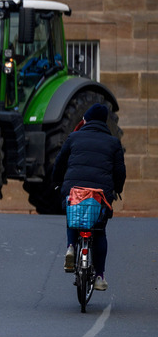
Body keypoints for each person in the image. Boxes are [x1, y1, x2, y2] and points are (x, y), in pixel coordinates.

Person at [52, 102, 126, 290]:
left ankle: (71, 246)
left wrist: (57, 182)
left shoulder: (74, 137)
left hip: (74, 189)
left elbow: (59, 163)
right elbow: (119, 172)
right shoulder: (114, 143)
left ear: (87, 120)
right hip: (100, 195)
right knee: (99, 230)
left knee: (73, 214)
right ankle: (100, 277)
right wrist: (117, 189)